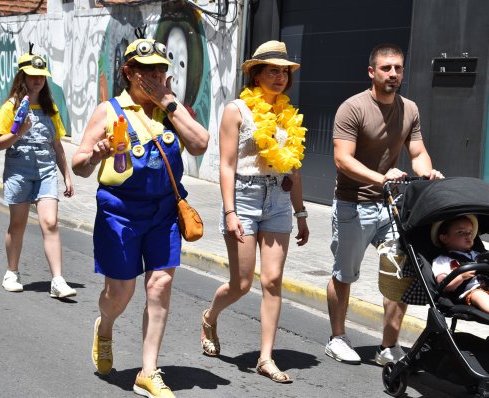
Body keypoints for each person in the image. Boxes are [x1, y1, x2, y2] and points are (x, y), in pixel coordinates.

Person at [71, 36, 209, 397]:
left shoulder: (173, 110)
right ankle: (105, 326)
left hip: (164, 212)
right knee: (121, 291)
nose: (155, 76)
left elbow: (200, 144)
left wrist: (168, 102)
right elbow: (79, 165)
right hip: (120, 213)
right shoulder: (109, 110)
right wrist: (96, 154)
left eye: (161, 70)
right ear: (129, 73)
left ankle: (148, 371)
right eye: (146, 70)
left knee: (160, 285)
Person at [325, 43, 444, 366]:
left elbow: (417, 153)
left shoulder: (410, 109)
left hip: (392, 206)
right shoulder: (353, 108)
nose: (393, 74)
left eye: (398, 68)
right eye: (386, 68)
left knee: (398, 275)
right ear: (372, 72)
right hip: (354, 204)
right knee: (344, 274)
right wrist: (382, 179)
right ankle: (337, 338)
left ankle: (388, 346)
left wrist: (427, 173)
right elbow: (342, 160)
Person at [201, 40, 309, 384]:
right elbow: (227, 165)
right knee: (242, 283)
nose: (280, 77)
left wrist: (301, 212)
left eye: (284, 71)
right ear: (256, 73)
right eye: (273, 70)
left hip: (278, 199)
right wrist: (230, 211)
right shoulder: (237, 110)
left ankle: (265, 358)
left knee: (273, 280)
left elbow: (293, 167)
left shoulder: (287, 113)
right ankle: (209, 316)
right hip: (244, 198)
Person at [0, 45, 77, 299]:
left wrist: (67, 175)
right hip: (18, 171)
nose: (38, 80)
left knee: (50, 223)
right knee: (17, 224)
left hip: (46, 171)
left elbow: (58, 146)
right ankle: (12, 272)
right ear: (22, 77)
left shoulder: (51, 109)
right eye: (33, 76)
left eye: (42, 76)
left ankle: (58, 281)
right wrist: (19, 132)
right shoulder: (11, 107)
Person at [431, 215, 489, 313]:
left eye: (470, 232)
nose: (468, 235)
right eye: (460, 232)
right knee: (479, 295)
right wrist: (461, 277)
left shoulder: (478, 254)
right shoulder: (442, 260)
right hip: (470, 292)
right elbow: (444, 285)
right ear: (444, 238)